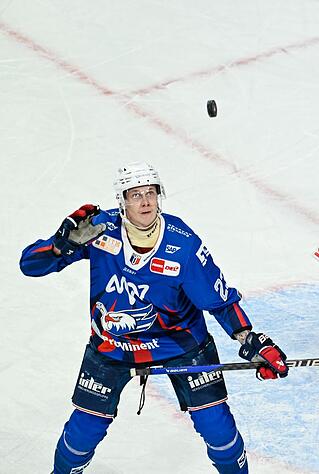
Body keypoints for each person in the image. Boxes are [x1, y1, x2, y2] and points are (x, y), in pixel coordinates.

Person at [19, 162, 289, 473]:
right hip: (113, 345)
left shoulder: (183, 244)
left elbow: (219, 300)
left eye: (150, 193)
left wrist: (253, 341)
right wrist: (58, 246)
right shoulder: (98, 229)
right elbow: (29, 266)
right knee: (83, 432)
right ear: (122, 200)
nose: (145, 202)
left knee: (218, 429)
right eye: (135, 195)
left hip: (181, 344)